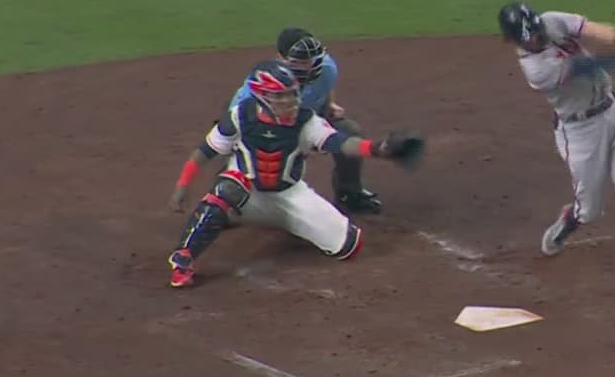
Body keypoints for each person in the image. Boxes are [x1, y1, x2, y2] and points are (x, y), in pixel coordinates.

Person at [166, 60, 424, 288]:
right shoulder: (239, 116)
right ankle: (184, 259)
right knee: (229, 186)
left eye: (291, 94)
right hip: (247, 194)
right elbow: (205, 151)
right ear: (262, 97)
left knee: (349, 245)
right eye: (281, 96)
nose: (289, 101)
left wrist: (378, 149)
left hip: (289, 195)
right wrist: (182, 185)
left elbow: (341, 143)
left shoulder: (305, 121)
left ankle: (289, 223)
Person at [498, 1, 615, 298]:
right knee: (590, 211)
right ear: (515, 41)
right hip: (581, 132)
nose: (536, 38)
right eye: (528, 38)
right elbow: (585, 67)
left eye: (536, 31)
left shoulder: (550, 20)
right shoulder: (536, 69)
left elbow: (592, 29)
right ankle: (568, 221)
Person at [227, 27, 384, 217]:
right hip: (269, 130)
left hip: (307, 124)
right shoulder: (263, 80)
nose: (307, 64)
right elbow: (238, 116)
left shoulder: (326, 67)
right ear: (280, 58)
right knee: (238, 152)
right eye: (299, 60)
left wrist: (330, 104)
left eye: (310, 59)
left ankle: (350, 193)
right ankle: (228, 202)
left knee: (349, 131)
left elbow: (325, 85)